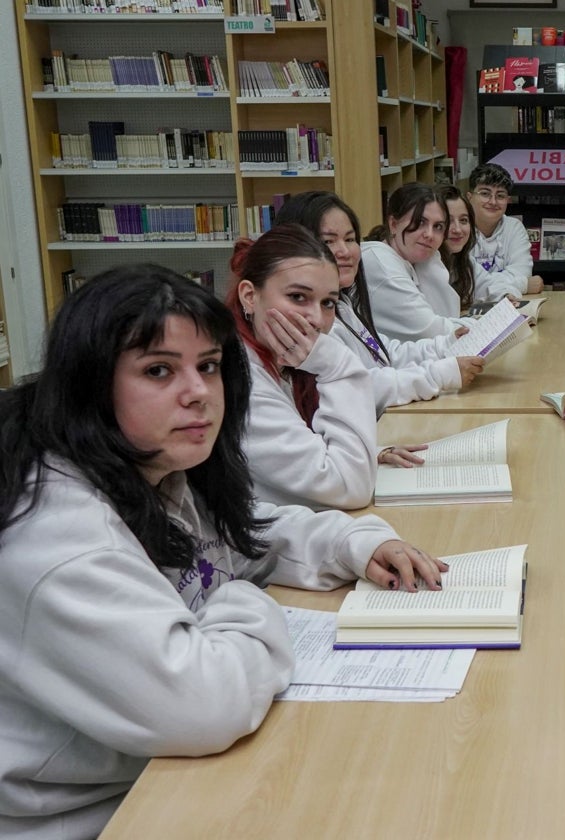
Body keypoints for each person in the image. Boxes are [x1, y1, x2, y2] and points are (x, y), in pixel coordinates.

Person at [0, 265, 447, 838]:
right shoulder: (58, 533)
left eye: (208, 366)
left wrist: (355, 542)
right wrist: (241, 597)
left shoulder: (148, 464)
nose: (198, 393)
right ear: (91, 383)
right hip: (91, 816)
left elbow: (243, 537)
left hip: (155, 776)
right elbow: (203, 703)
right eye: (158, 370)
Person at [272, 190, 484, 423]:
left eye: (350, 239)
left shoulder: (340, 305)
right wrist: (438, 375)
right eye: (329, 241)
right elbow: (360, 385)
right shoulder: (304, 320)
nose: (344, 251)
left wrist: (448, 343)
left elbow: (382, 352)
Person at [228, 224, 380, 510]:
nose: (316, 319)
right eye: (298, 297)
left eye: (328, 303)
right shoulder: (240, 377)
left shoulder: (279, 363)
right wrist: (335, 364)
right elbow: (351, 487)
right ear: (249, 296)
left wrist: (373, 452)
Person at [361, 183, 474, 341]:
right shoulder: (382, 264)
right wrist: (483, 324)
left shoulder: (417, 258)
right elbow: (429, 331)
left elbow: (446, 313)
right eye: (420, 222)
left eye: (438, 226)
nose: (429, 234)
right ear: (393, 224)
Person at [466, 163, 544, 300]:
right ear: (469, 197)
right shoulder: (458, 229)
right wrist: (525, 285)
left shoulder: (514, 228)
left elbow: (522, 272)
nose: (493, 201)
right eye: (485, 194)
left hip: (506, 308)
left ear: (508, 201)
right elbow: (463, 285)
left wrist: (479, 286)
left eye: (500, 196)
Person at [437, 184, 478, 309]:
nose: (458, 230)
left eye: (463, 220)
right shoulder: (426, 264)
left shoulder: (462, 260)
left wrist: (506, 294)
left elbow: (489, 284)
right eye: (448, 222)